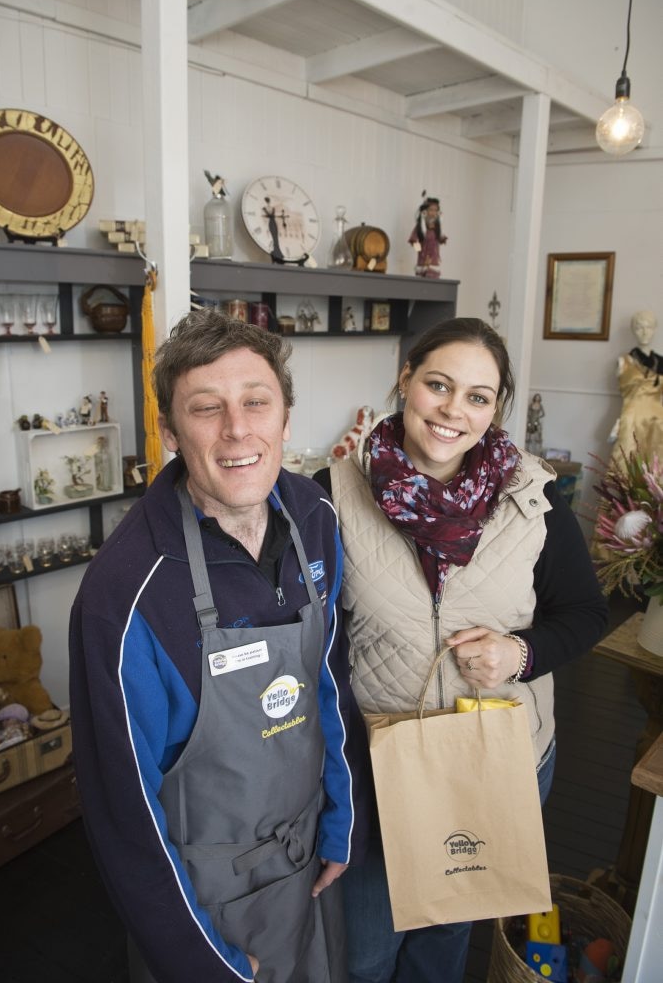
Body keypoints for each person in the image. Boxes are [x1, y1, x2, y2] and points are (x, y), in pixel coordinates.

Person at [69, 309, 366, 983]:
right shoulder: (125, 592)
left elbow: (330, 680)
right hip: (201, 903)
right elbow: (124, 811)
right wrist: (200, 961)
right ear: (172, 433)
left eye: (255, 402)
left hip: (310, 862)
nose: (237, 430)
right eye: (207, 409)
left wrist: (343, 823)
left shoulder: (314, 519)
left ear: (284, 418)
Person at [314, 317, 608, 983]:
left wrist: (517, 654)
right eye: (437, 386)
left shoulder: (534, 499)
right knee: (363, 949)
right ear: (405, 382)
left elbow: (586, 613)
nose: (452, 410)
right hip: (378, 759)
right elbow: (314, 628)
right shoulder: (333, 493)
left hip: (497, 754)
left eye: (477, 396)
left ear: (494, 408)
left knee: (445, 930)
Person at [608, 309, 663, 468]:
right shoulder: (623, 361)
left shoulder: (661, 362)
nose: (645, 332)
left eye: (649, 327)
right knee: (626, 463)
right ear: (633, 330)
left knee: (656, 465)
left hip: (658, 422)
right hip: (631, 419)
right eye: (639, 327)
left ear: (655, 329)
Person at [408, 192, 448, 279]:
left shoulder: (438, 229)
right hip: (422, 262)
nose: (433, 213)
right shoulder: (420, 228)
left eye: (435, 210)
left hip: (433, 263)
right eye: (431, 210)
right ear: (425, 212)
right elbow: (413, 240)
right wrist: (420, 251)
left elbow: (441, 239)